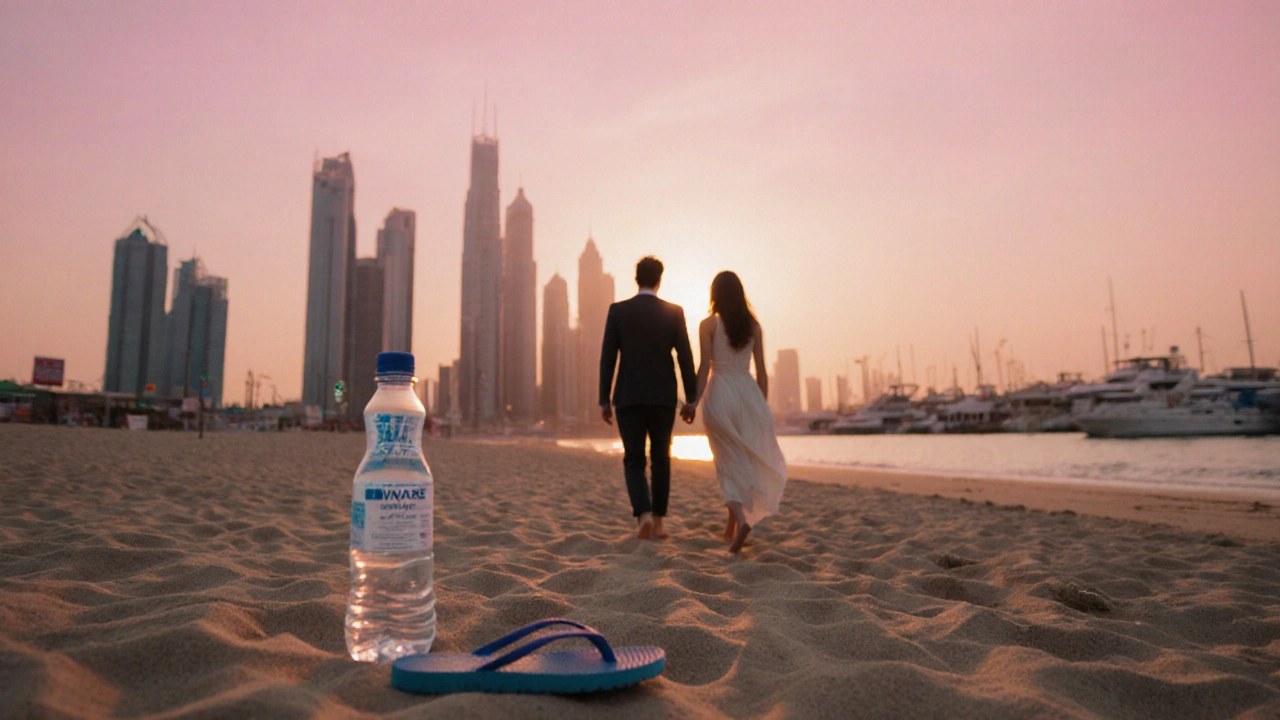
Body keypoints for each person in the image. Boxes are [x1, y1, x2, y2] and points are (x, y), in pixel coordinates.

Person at [688, 271, 787, 553]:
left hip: (720, 393)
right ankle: (730, 526)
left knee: (726, 462)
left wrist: (693, 402)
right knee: (740, 460)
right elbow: (762, 373)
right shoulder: (753, 327)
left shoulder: (708, 324)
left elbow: (704, 368)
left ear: (715, 294)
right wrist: (761, 408)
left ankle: (741, 520)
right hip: (748, 395)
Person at [600, 256, 698, 540]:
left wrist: (604, 399)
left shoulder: (618, 311)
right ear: (659, 280)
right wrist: (691, 398)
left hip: (628, 396)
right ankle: (658, 524)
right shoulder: (674, 312)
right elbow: (685, 357)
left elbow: (608, 357)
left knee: (633, 459)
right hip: (662, 397)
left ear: (636, 279)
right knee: (661, 459)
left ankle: (642, 515)